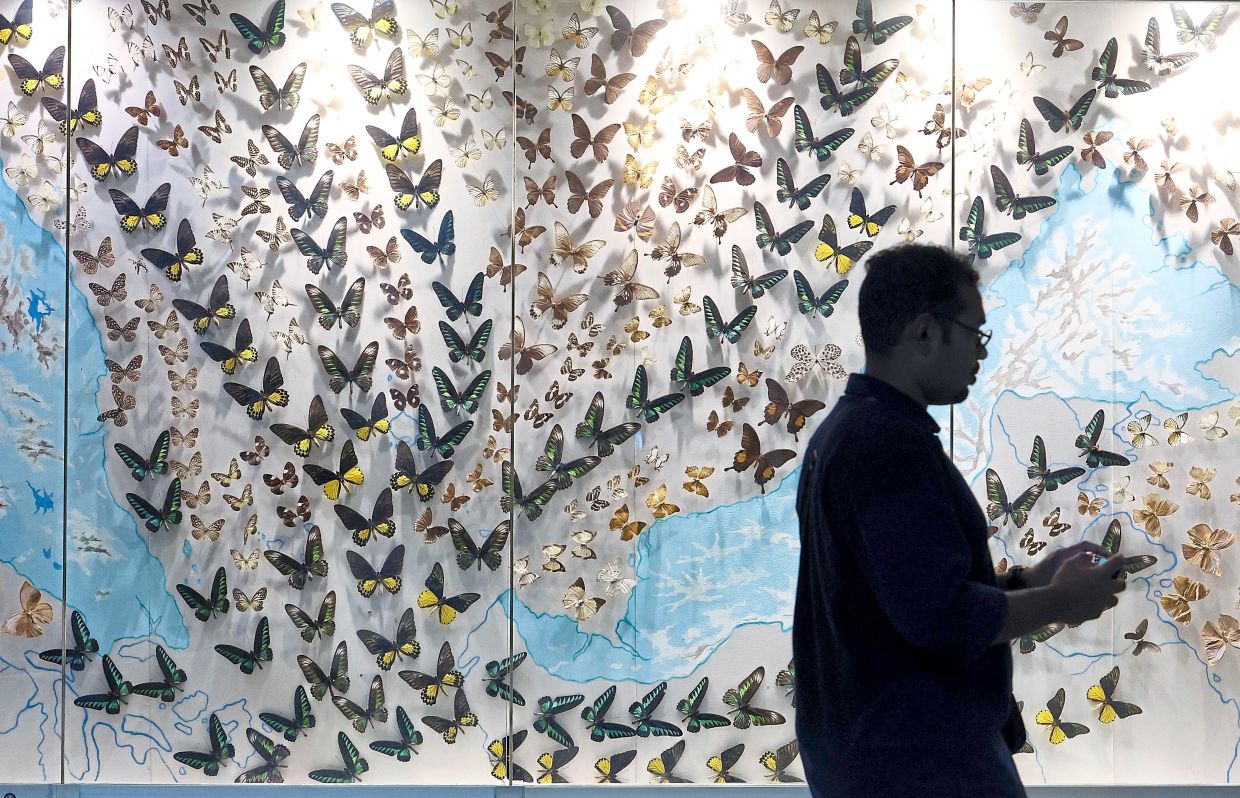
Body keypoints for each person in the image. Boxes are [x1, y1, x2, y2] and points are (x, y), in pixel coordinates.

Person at [792, 243, 1126, 797]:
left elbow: (903, 599)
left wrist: (1028, 581)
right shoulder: (885, 445)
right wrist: (1063, 602)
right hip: (916, 760)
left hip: (881, 753)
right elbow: (940, 620)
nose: (981, 353)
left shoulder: (849, 432)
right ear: (925, 332)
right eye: (975, 333)